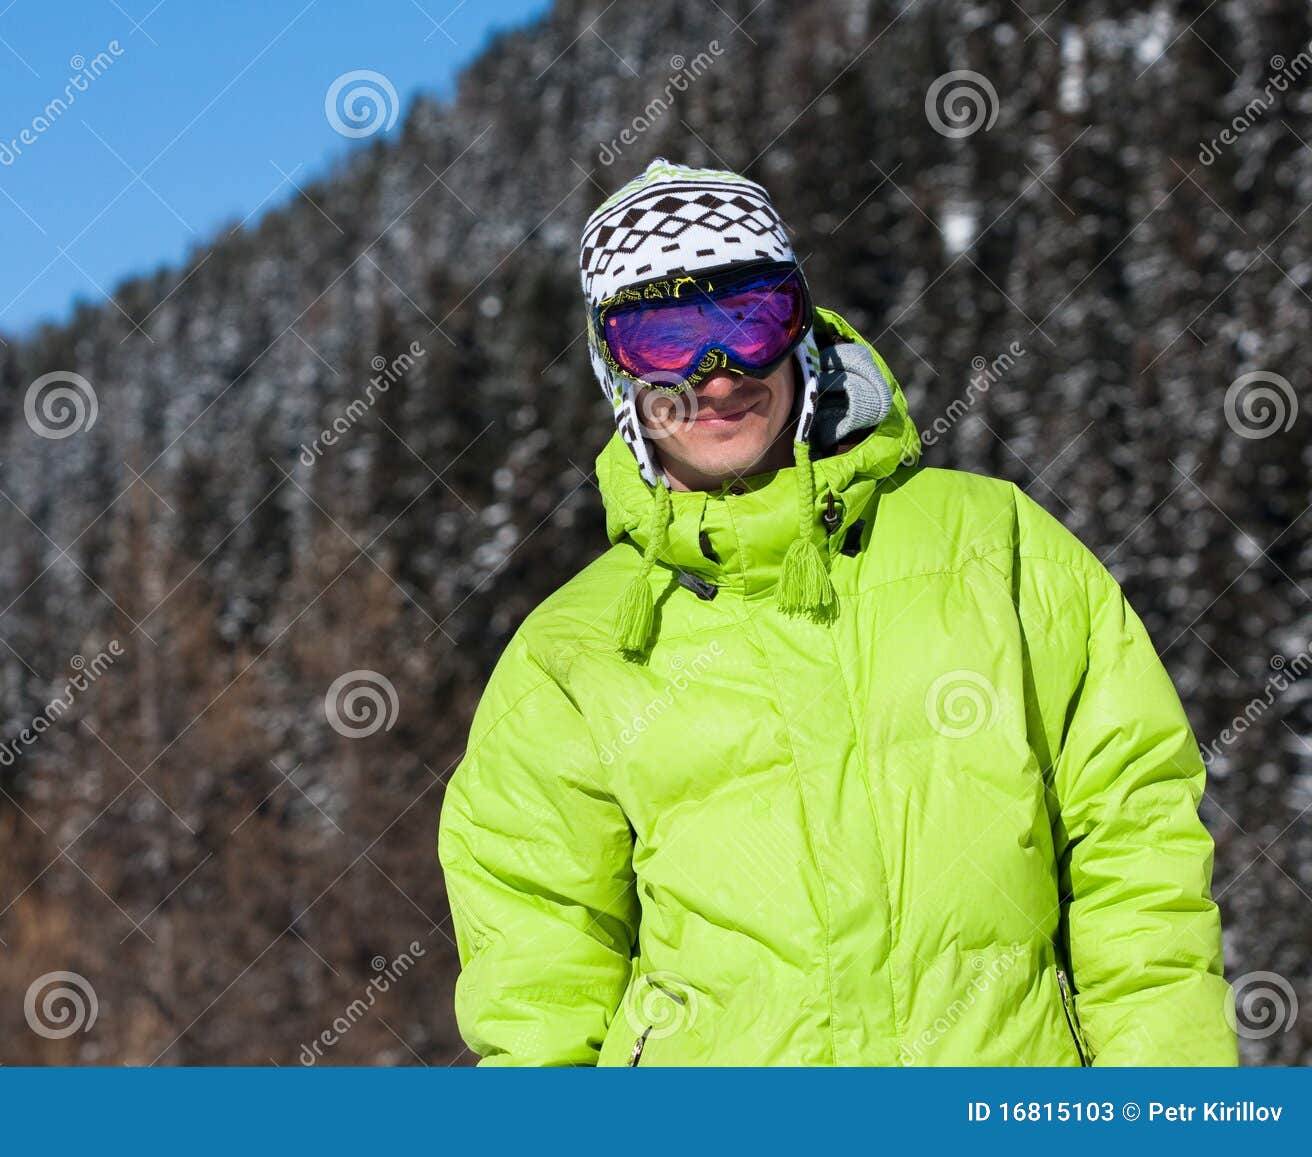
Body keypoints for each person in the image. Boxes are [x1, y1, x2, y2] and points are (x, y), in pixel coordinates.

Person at [436, 158, 1238, 1066]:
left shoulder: (996, 547)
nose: (718, 372)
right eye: (665, 336)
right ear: (613, 367)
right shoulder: (571, 655)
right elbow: (536, 977)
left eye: (749, 317)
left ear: (800, 327)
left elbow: (1134, 850)